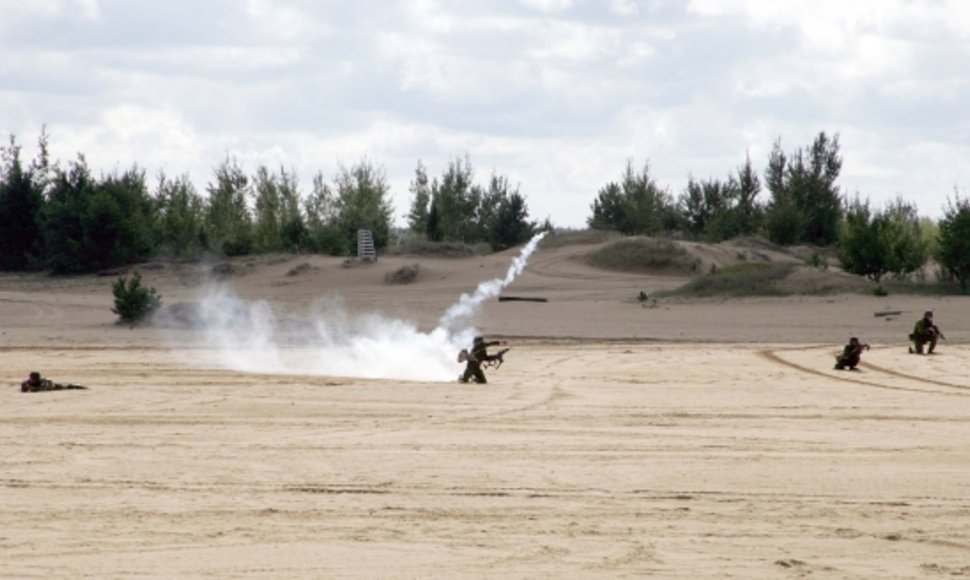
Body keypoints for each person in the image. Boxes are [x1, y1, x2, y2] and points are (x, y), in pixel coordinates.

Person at [20, 371, 85, 393]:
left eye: (34, 378)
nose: (33, 380)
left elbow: (44, 389)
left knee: (68, 386)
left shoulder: (43, 382)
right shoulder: (26, 383)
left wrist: (32, 388)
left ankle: (78, 386)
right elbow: (23, 390)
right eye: (32, 378)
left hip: (54, 386)